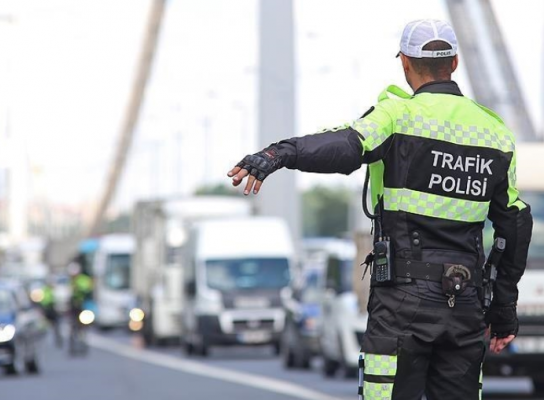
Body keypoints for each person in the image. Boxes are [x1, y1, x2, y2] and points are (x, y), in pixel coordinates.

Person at [227, 19, 533, 400]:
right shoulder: (495, 134)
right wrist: (503, 309)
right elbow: (515, 225)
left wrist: (278, 154)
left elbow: (344, 146)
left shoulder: (396, 115)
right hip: (465, 304)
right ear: (454, 63)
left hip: (402, 305)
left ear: (405, 63)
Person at [39, 278, 62, 348]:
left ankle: (58, 338)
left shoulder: (56, 290)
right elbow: (42, 301)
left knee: (57, 324)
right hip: (48, 309)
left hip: (54, 309)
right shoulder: (44, 290)